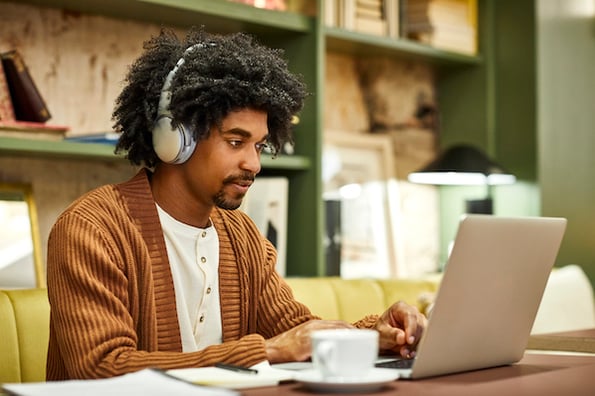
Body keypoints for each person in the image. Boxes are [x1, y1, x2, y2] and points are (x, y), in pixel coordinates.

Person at [45, 27, 427, 380]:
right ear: (176, 138)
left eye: (259, 145)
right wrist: (268, 351)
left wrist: (377, 335)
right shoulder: (93, 229)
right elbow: (102, 367)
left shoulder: (241, 236)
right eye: (235, 141)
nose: (254, 164)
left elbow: (297, 331)